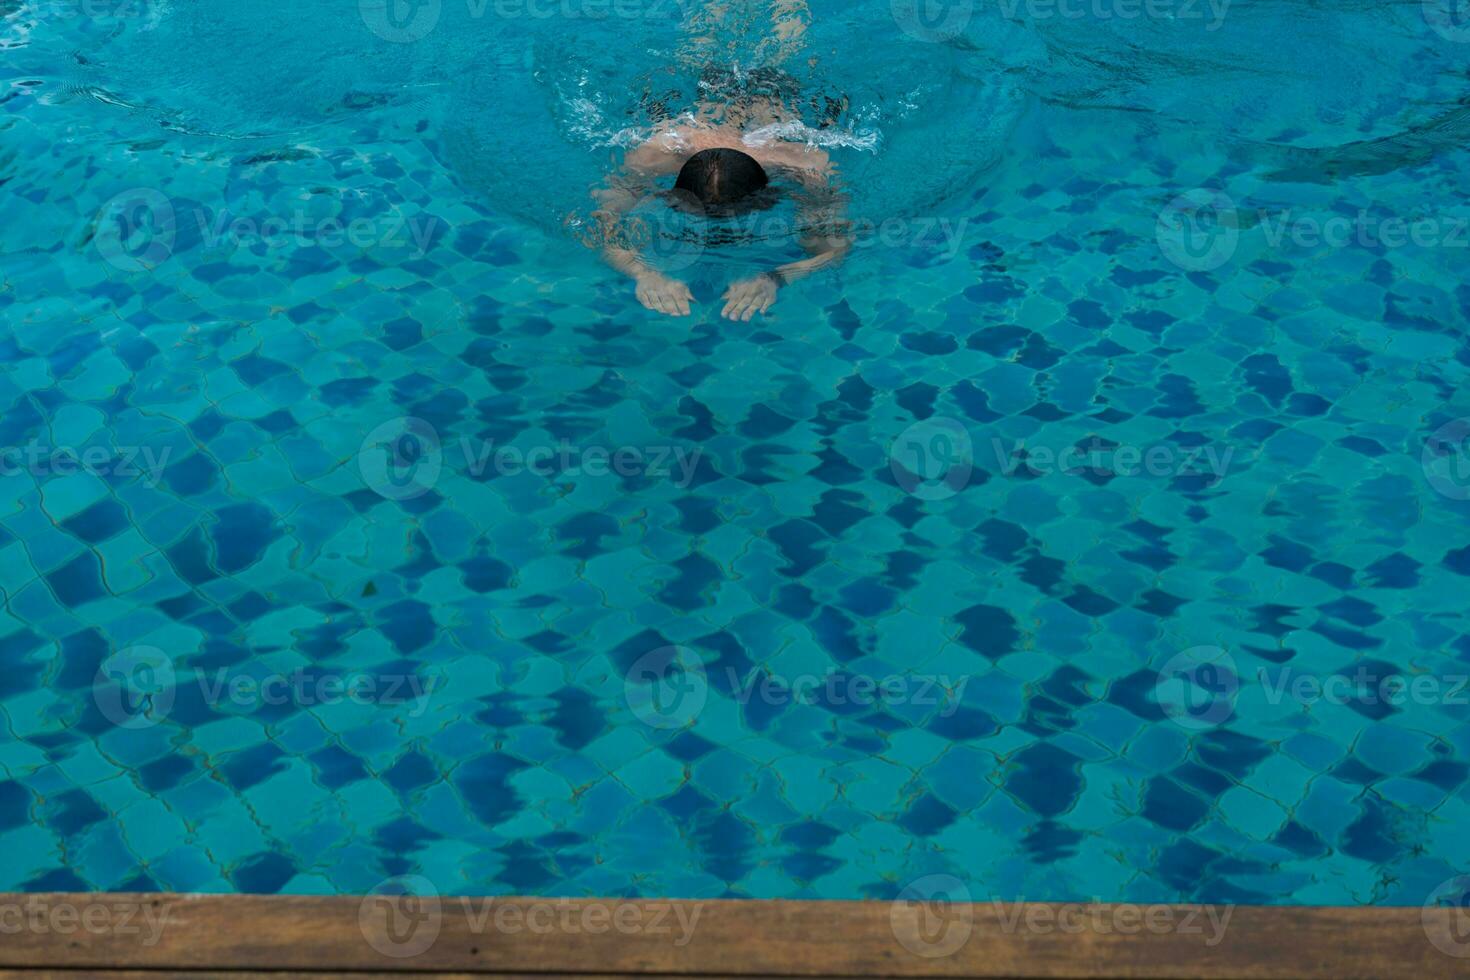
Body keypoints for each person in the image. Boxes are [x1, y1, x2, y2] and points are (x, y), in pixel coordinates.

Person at [588, 2, 851, 320]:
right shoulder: (660, 149)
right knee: (737, 35)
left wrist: (776, 278)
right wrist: (643, 274)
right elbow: (600, 222)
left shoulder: (804, 164)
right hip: (728, 94)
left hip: (764, 91)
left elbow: (836, 247)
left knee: (759, 40)